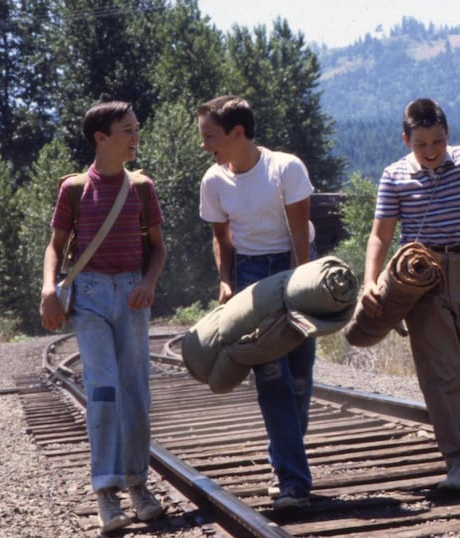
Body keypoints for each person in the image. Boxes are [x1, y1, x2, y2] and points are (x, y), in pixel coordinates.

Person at [361, 98, 460, 491]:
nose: (431, 151)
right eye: (421, 144)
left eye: (437, 141)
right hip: (420, 275)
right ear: (406, 140)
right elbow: (380, 233)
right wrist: (370, 281)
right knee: (442, 373)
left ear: (448, 135)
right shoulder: (394, 176)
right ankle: (459, 462)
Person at [39, 101, 167, 533]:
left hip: (132, 295)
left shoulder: (142, 187)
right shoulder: (75, 189)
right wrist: (48, 289)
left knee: (137, 394)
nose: (136, 137)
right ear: (102, 137)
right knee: (105, 391)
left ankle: (138, 486)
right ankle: (106, 494)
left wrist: (149, 281)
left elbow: (159, 248)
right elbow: (56, 247)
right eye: (127, 130)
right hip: (91, 295)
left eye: (137, 129)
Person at [196, 95, 316, 510]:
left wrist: (303, 288)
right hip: (249, 277)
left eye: (210, 136)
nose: (204, 145)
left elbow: (299, 234)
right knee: (270, 377)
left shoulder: (285, 168)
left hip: (293, 266)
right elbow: (221, 238)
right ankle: (293, 481)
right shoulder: (213, 180)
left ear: (238, 133)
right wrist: (226, 281)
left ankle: (286, 460)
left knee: (299, 376)